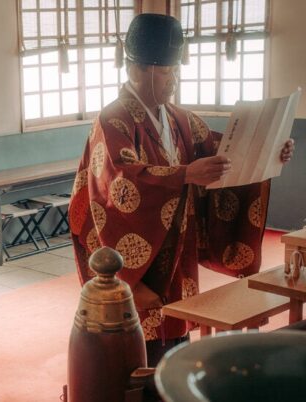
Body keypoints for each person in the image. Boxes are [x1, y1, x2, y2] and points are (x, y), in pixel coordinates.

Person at [68, 13, 296, 366]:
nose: (173, 78)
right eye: (166, 70)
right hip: (136, 255)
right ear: (137, 68)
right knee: (138, 348)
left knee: (176, 334)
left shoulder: (178, 119)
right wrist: (186, 174)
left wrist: (272, 148)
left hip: (178, 246)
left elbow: (227, 152)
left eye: (175, 69)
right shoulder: (113, 120)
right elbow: (121, 181)